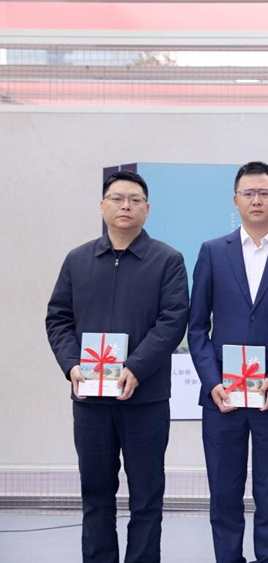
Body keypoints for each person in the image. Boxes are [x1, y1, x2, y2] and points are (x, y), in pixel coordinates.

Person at [45, 169, 189, 563]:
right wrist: (71, 366)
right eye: (117, 198)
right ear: (102, 206)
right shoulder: (77, 260)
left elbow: (173, 320)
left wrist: (136, 368)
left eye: (135, 200)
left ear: (147, 209)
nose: (126, 206)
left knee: (146, 497)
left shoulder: (167, 260)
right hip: (90, 400)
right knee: (95, 495)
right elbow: (58, 319)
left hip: (146, 400)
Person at [188, 161, 268, 563]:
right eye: (249, 193)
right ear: (236, 200)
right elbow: (196, 327)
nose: (256, 200)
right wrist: (212, 382)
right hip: (223, 396)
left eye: (264, 193)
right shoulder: (212, 252)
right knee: (224, 491)